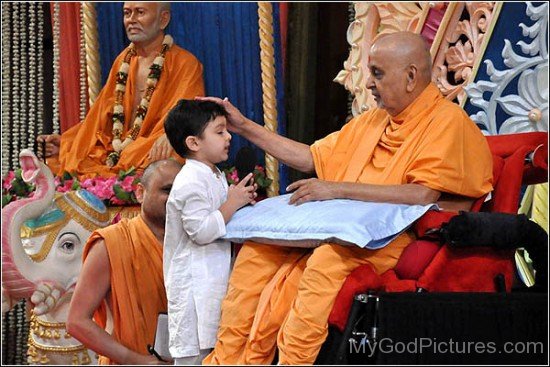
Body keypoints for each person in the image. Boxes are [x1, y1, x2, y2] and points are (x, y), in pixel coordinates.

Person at [200, 31, 494, 365]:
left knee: (326, 261)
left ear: (411, 77)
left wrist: (335, 189)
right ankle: (226, 360)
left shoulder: (448, 122)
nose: (369, 84)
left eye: (378, 73)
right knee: (257, 250)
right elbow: (311, 158)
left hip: (391, 237)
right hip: (339, 226)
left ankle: (290, 361)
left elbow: (422, 193)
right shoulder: (372, 122)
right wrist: (244, 126)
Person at [37, 2, 204, 179]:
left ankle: (119, 177)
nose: (131, 20)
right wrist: (65, 143)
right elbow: (100, 118)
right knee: (76, 153)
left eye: (140, 13)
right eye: (127, 13)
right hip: (119, 149)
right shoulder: (123, 60)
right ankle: (115, 177)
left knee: (171, 153)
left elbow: (189, 119)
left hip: (149, 149)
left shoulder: (185, 63)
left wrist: (172, 135)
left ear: (163, 19)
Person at [162, 100, 258, 365]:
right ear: (194, 143)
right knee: (196, 358)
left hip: (212, 282)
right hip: (194, 289)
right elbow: (202, 231)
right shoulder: (190, 180)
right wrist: (231, 203)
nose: (229, 137)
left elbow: (221, 216)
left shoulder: (213, 173)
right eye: (219, 132)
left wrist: (237, 200)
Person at [66, 159, 182, 365]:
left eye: (182, 191)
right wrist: (137, 360)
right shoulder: (111, 243)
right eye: (167, 190)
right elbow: (77, 322)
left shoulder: (193, 243)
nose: (176, 198)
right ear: (140, 192)